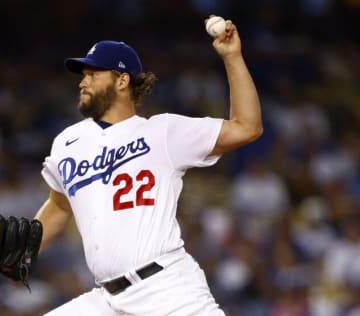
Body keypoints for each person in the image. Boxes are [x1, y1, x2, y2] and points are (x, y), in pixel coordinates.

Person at [37, 16, 262, 315]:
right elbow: (60, 205)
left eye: (93, 73)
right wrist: (23, 251)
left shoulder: (162, 133)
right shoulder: (69, 142)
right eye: (83, 74)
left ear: (122, 79)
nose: (82, 80)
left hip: (166, 290)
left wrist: (232, 57)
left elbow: (247, 127)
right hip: (106, 300)